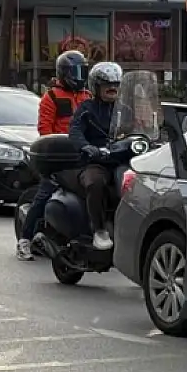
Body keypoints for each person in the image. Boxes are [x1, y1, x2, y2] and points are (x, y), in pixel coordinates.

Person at [16, 51, 90, 260]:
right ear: (63, 73)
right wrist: (61, 146)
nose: (79, 75)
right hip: (59, 158)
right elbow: (45, 129)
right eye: (75, 71)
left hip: (84, 156)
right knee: (45, 193)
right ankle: (24, 240)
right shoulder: (52, 97)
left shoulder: (88, 97)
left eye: (82, 71)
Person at [65, 61, 124, 252]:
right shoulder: (87, 108)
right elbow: (74, 131)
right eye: (107, 85)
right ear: (96, 87)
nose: (112, 88)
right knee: (95, 182)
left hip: (122, 160)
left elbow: (142, 128)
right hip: (96, 162)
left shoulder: (125, 110)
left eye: (115, 84)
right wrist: (87, 147)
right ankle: (99, 230)